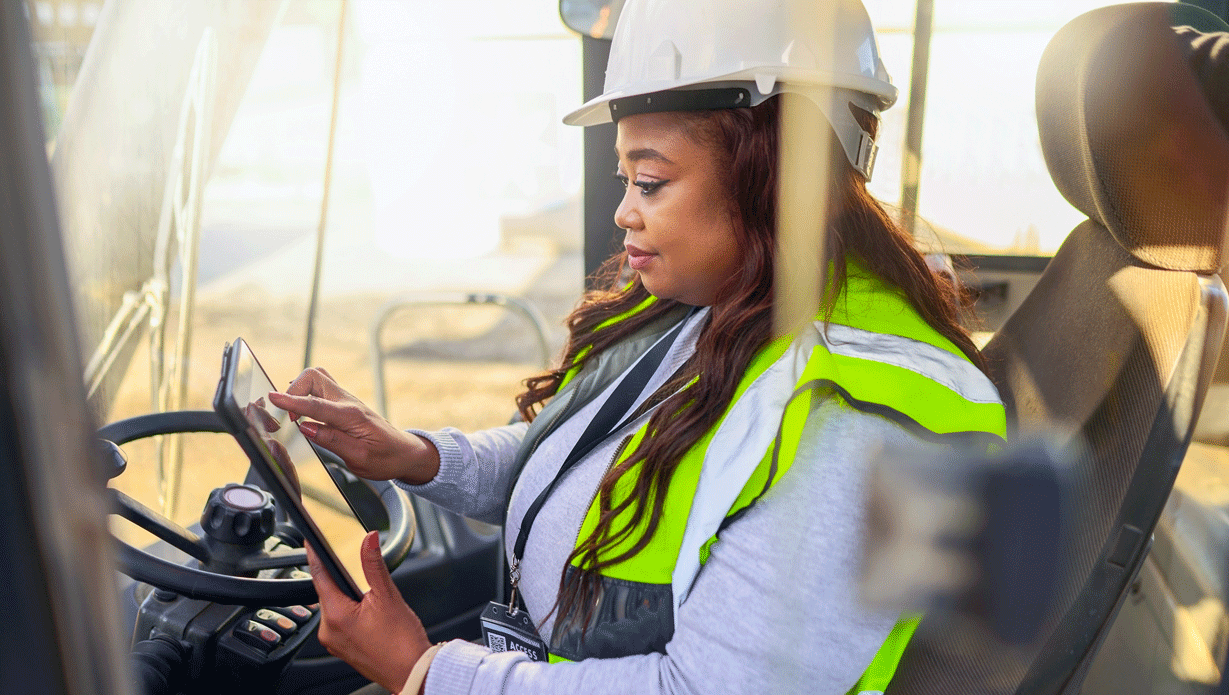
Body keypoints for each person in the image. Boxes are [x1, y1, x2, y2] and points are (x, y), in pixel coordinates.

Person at [267, 0, 1007, 692]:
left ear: (780, 177)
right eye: (624, 178)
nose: (623, 210)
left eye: (650, 181)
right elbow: (588, 469)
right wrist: (418, 456)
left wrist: (425, 671)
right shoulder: (725, 302)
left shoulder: (858, 426)